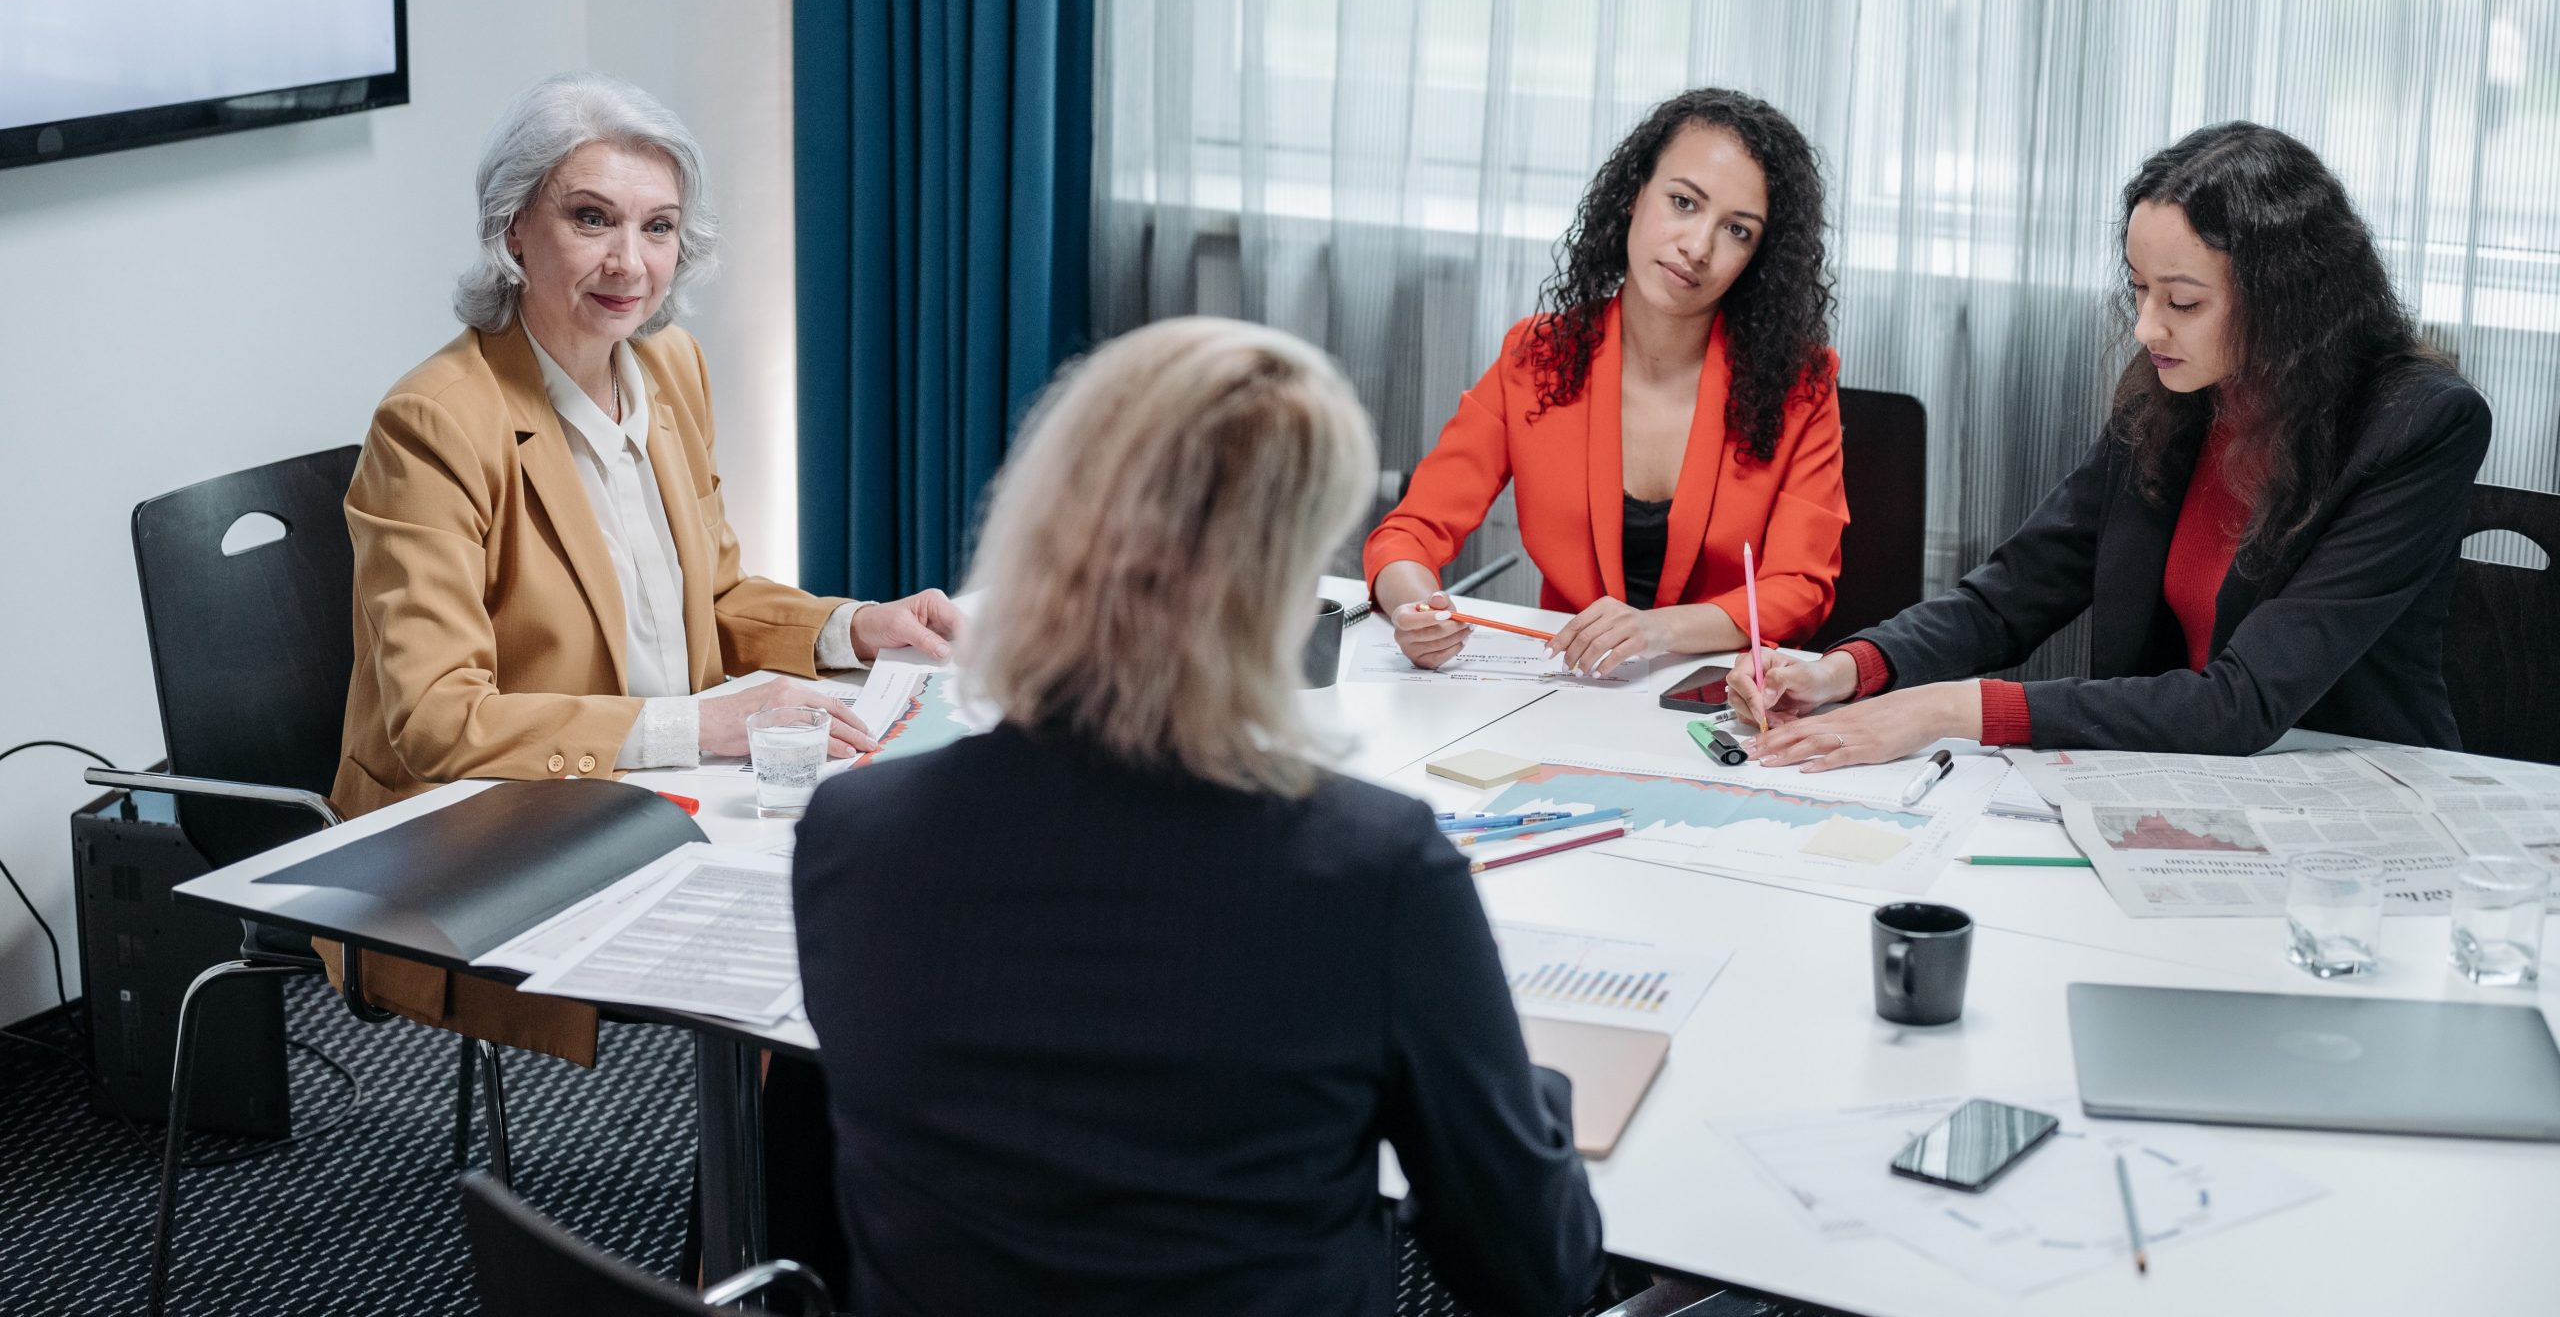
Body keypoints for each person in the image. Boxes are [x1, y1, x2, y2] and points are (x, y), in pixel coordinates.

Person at [793, 318, 1608, 1317]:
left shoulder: (852, 829)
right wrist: (1532, 1096)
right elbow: (1534, 1272)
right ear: (1274, 587)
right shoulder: (1371, 869)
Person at [329, 72, 960, 1065]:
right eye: (591, 218)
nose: (631, 262)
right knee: (806, 931)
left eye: (658, 227)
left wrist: (852, 628)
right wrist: (699, 723)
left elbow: (710, 596)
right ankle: (761, 1208)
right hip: (498, 826)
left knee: (888, 877)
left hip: (670, 783)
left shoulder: (669, 368)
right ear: (514, 231)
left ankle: (800, 1206)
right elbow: (437, 721)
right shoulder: (436, 423)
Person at [1732, 121, 2492, 770]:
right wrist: (1847, 667)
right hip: (2180, 786)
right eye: (2138, 289)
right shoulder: (2180, 388)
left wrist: (1952, 709)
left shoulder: (2417, 424)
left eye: (2183, 301)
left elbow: (2244, 701)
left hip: (2350, 800)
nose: (2147, 327)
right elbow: (2013, 592)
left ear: (2288, 299)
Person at [1366, 87, 1848, 677]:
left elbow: (1800, 588)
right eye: (1683, 202)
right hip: (1564, 690)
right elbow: (1412, 532)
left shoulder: (1800, 384)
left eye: (1738, 231)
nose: (1697, 248)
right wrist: (1414, 610)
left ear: (1760, 257)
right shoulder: (1536, 356)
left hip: (1716, 697)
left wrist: (1657, 629)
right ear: (1633, 195)